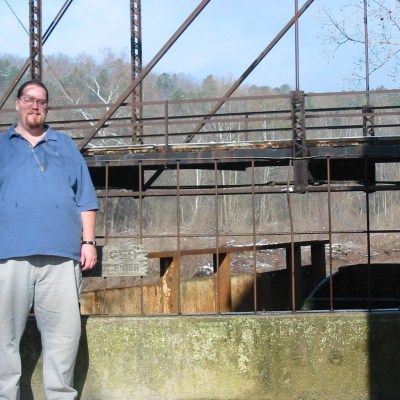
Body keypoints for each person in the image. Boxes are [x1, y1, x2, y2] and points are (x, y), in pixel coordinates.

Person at [0, 79, 99, 399]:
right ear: (17, 103)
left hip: (61, 256)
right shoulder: (1, 147)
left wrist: (88, 242)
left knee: (64, 338)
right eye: (29, 99)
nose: (35, 105)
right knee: (3, 337)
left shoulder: (65, 146)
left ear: (47, 108)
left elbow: (86, 199)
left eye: (41, 101)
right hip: (8, 255)